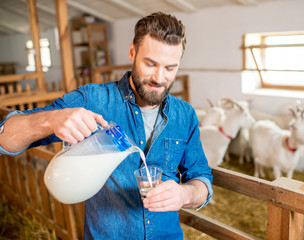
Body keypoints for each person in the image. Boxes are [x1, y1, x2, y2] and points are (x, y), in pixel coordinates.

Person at [0, 12, 213, 239]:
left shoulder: (185, 115)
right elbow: (4, 139)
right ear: (132, 52)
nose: (159, 78)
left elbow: (201, 180)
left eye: (170, 68)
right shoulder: (94, 100)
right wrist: (50, 119)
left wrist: (184, 193)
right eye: (150, 64)